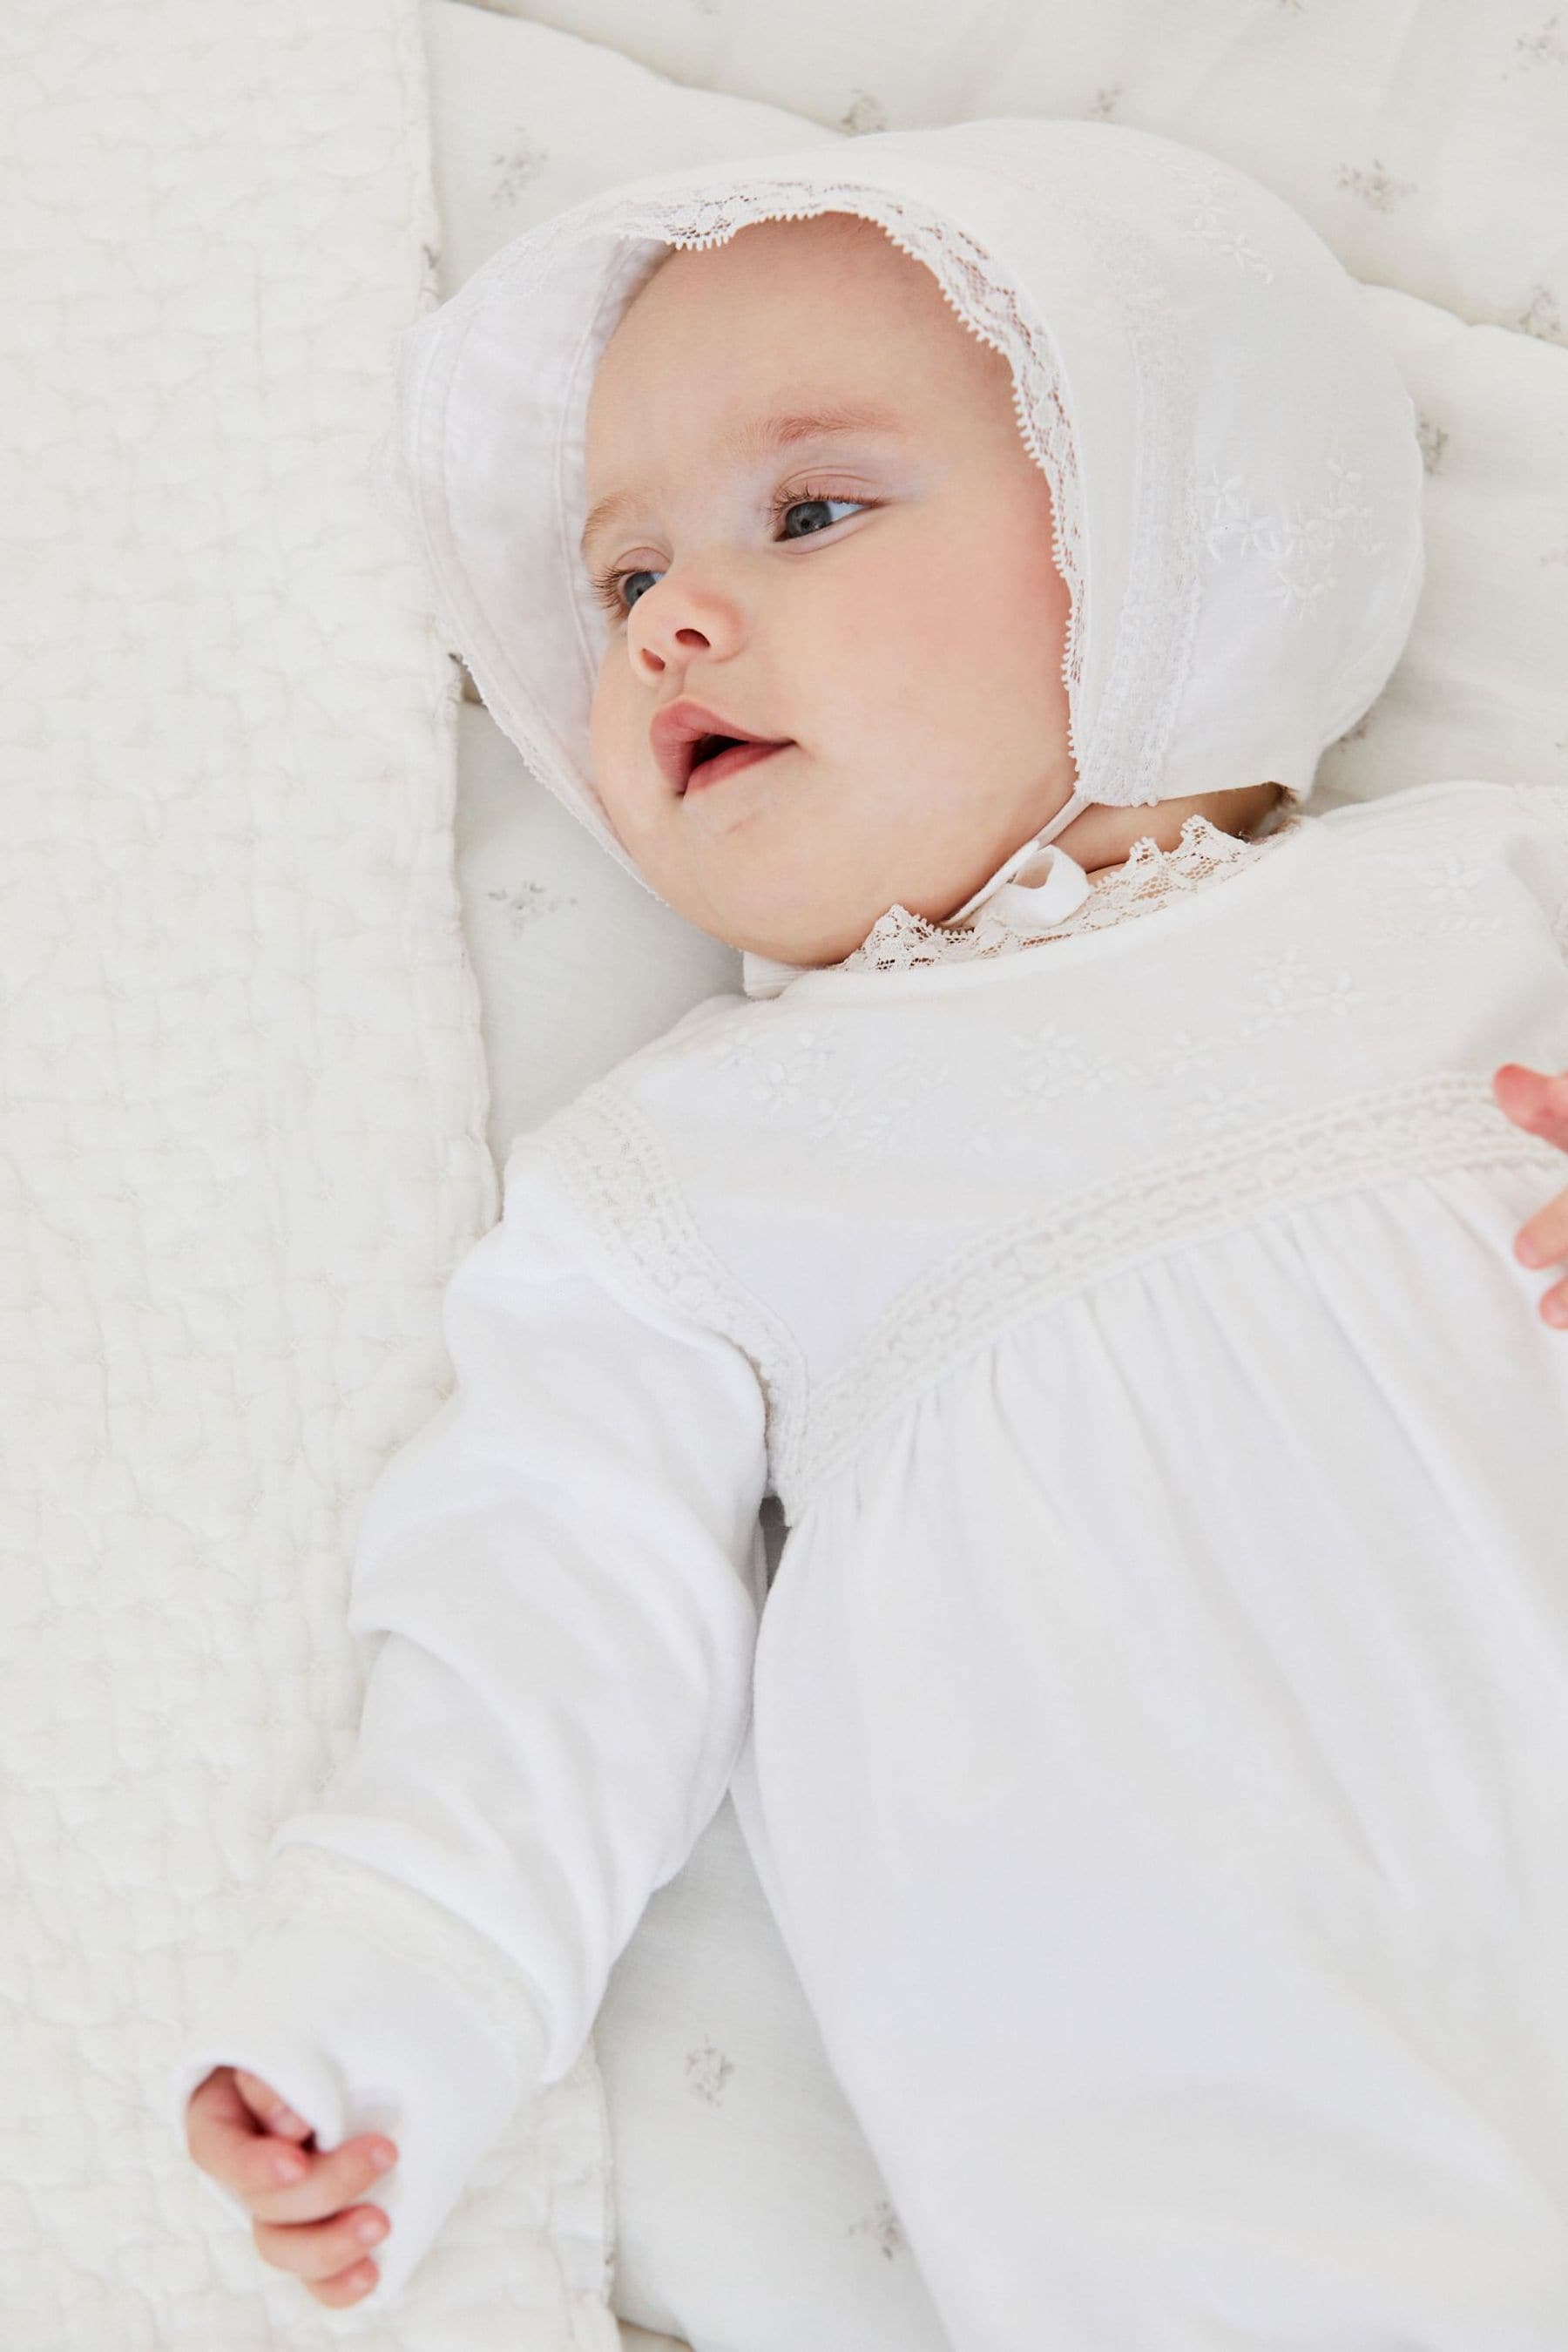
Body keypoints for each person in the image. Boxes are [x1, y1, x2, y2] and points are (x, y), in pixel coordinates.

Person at [176, 120, 1568, 2342]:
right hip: (1193, 2090)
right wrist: (397, 1984)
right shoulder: (691, 1177)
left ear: (1174, 528)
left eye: (809, 512)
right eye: (621, 584)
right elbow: (550, 1610)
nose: (673, 623)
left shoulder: (1493, 897)